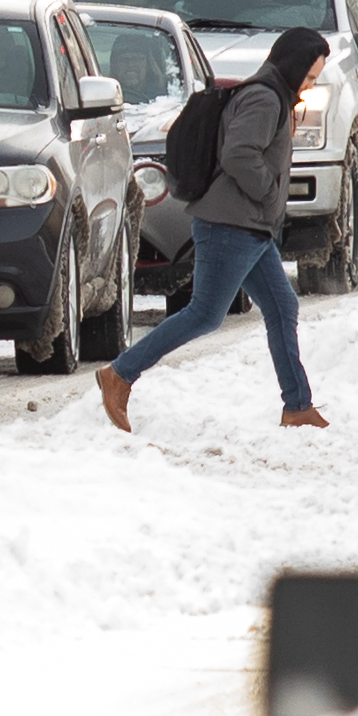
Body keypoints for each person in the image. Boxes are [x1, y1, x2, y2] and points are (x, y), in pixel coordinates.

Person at [100, 25, 328, 432]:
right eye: (309, 76)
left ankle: (297, 406)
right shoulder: (264, 97)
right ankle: (120, 374)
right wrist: (268, 192)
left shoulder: (274, 95)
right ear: (293, 66)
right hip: (231, 224)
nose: (310, 85)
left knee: (281, 307)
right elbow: (239, 154)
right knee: (205, 314)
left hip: (250, 226)